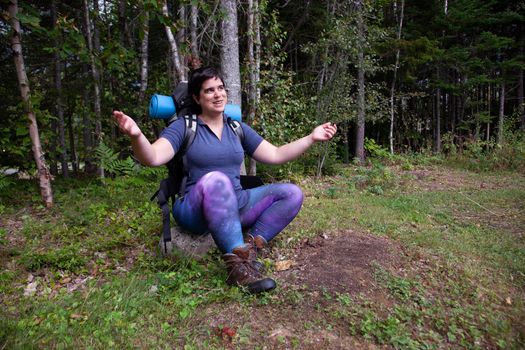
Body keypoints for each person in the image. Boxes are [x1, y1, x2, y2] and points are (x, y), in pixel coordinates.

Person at [113, 66, 337, 294]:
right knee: (216, 180)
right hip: (194, 208)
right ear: (196, 97)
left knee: (292, 193)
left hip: (236, 202)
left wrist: (311, 138)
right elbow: (153, 157)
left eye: (220, 88)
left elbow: (276, 154)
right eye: (209, 90)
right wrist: (136, 136)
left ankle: (249, 248)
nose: (218, 94)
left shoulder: (236, 127)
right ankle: (239, 271)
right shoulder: (184, 127)